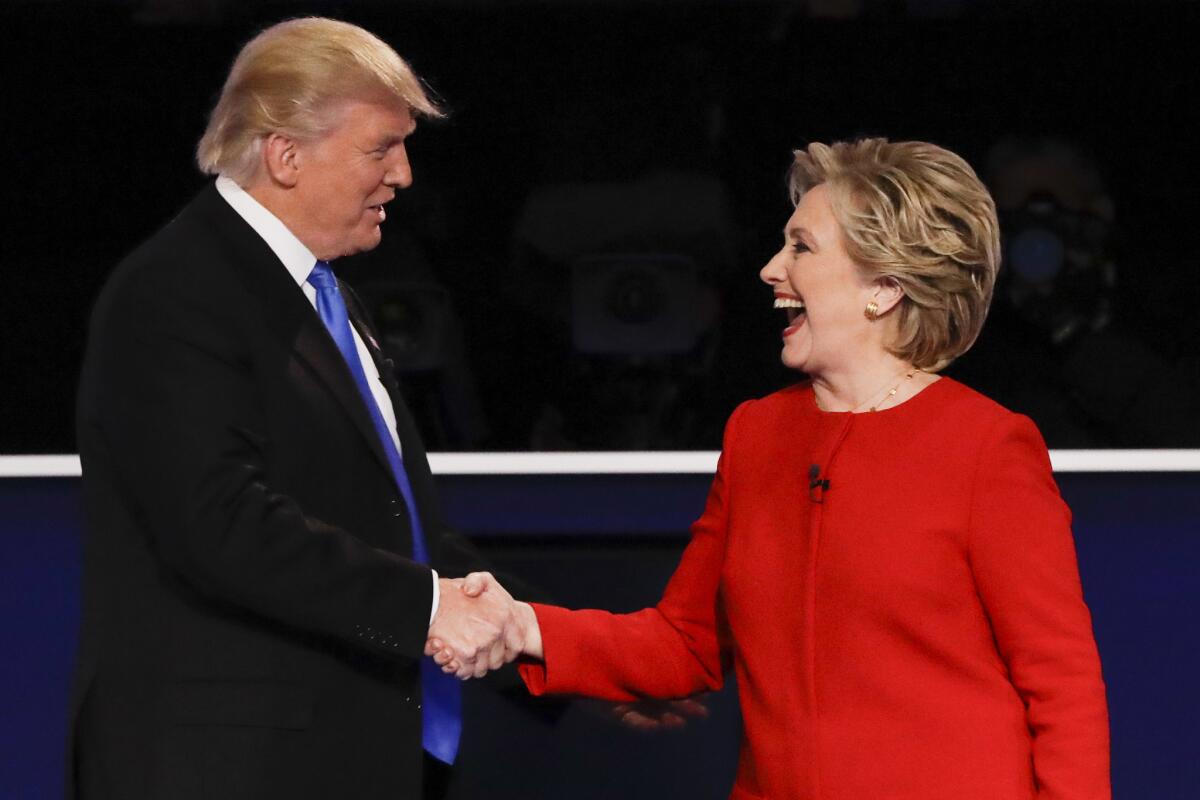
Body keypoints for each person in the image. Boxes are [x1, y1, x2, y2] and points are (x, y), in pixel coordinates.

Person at [432, 139, 1112, 799]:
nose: (768, 269)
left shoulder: (987, 447)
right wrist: (523, 625)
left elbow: (1061, 685)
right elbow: (686, 643)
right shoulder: (757, 433)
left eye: (801, 247)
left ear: (882, 287)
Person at [68, 18, 527, 800]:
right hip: (220, 770)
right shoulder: (176, 289)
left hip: (336, 758)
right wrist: (427, 607)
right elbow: (219, 522)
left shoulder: (324, 298)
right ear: (284, 155)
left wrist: (548, 645)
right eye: (381, 147)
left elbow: (387, 523)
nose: (405, 174)